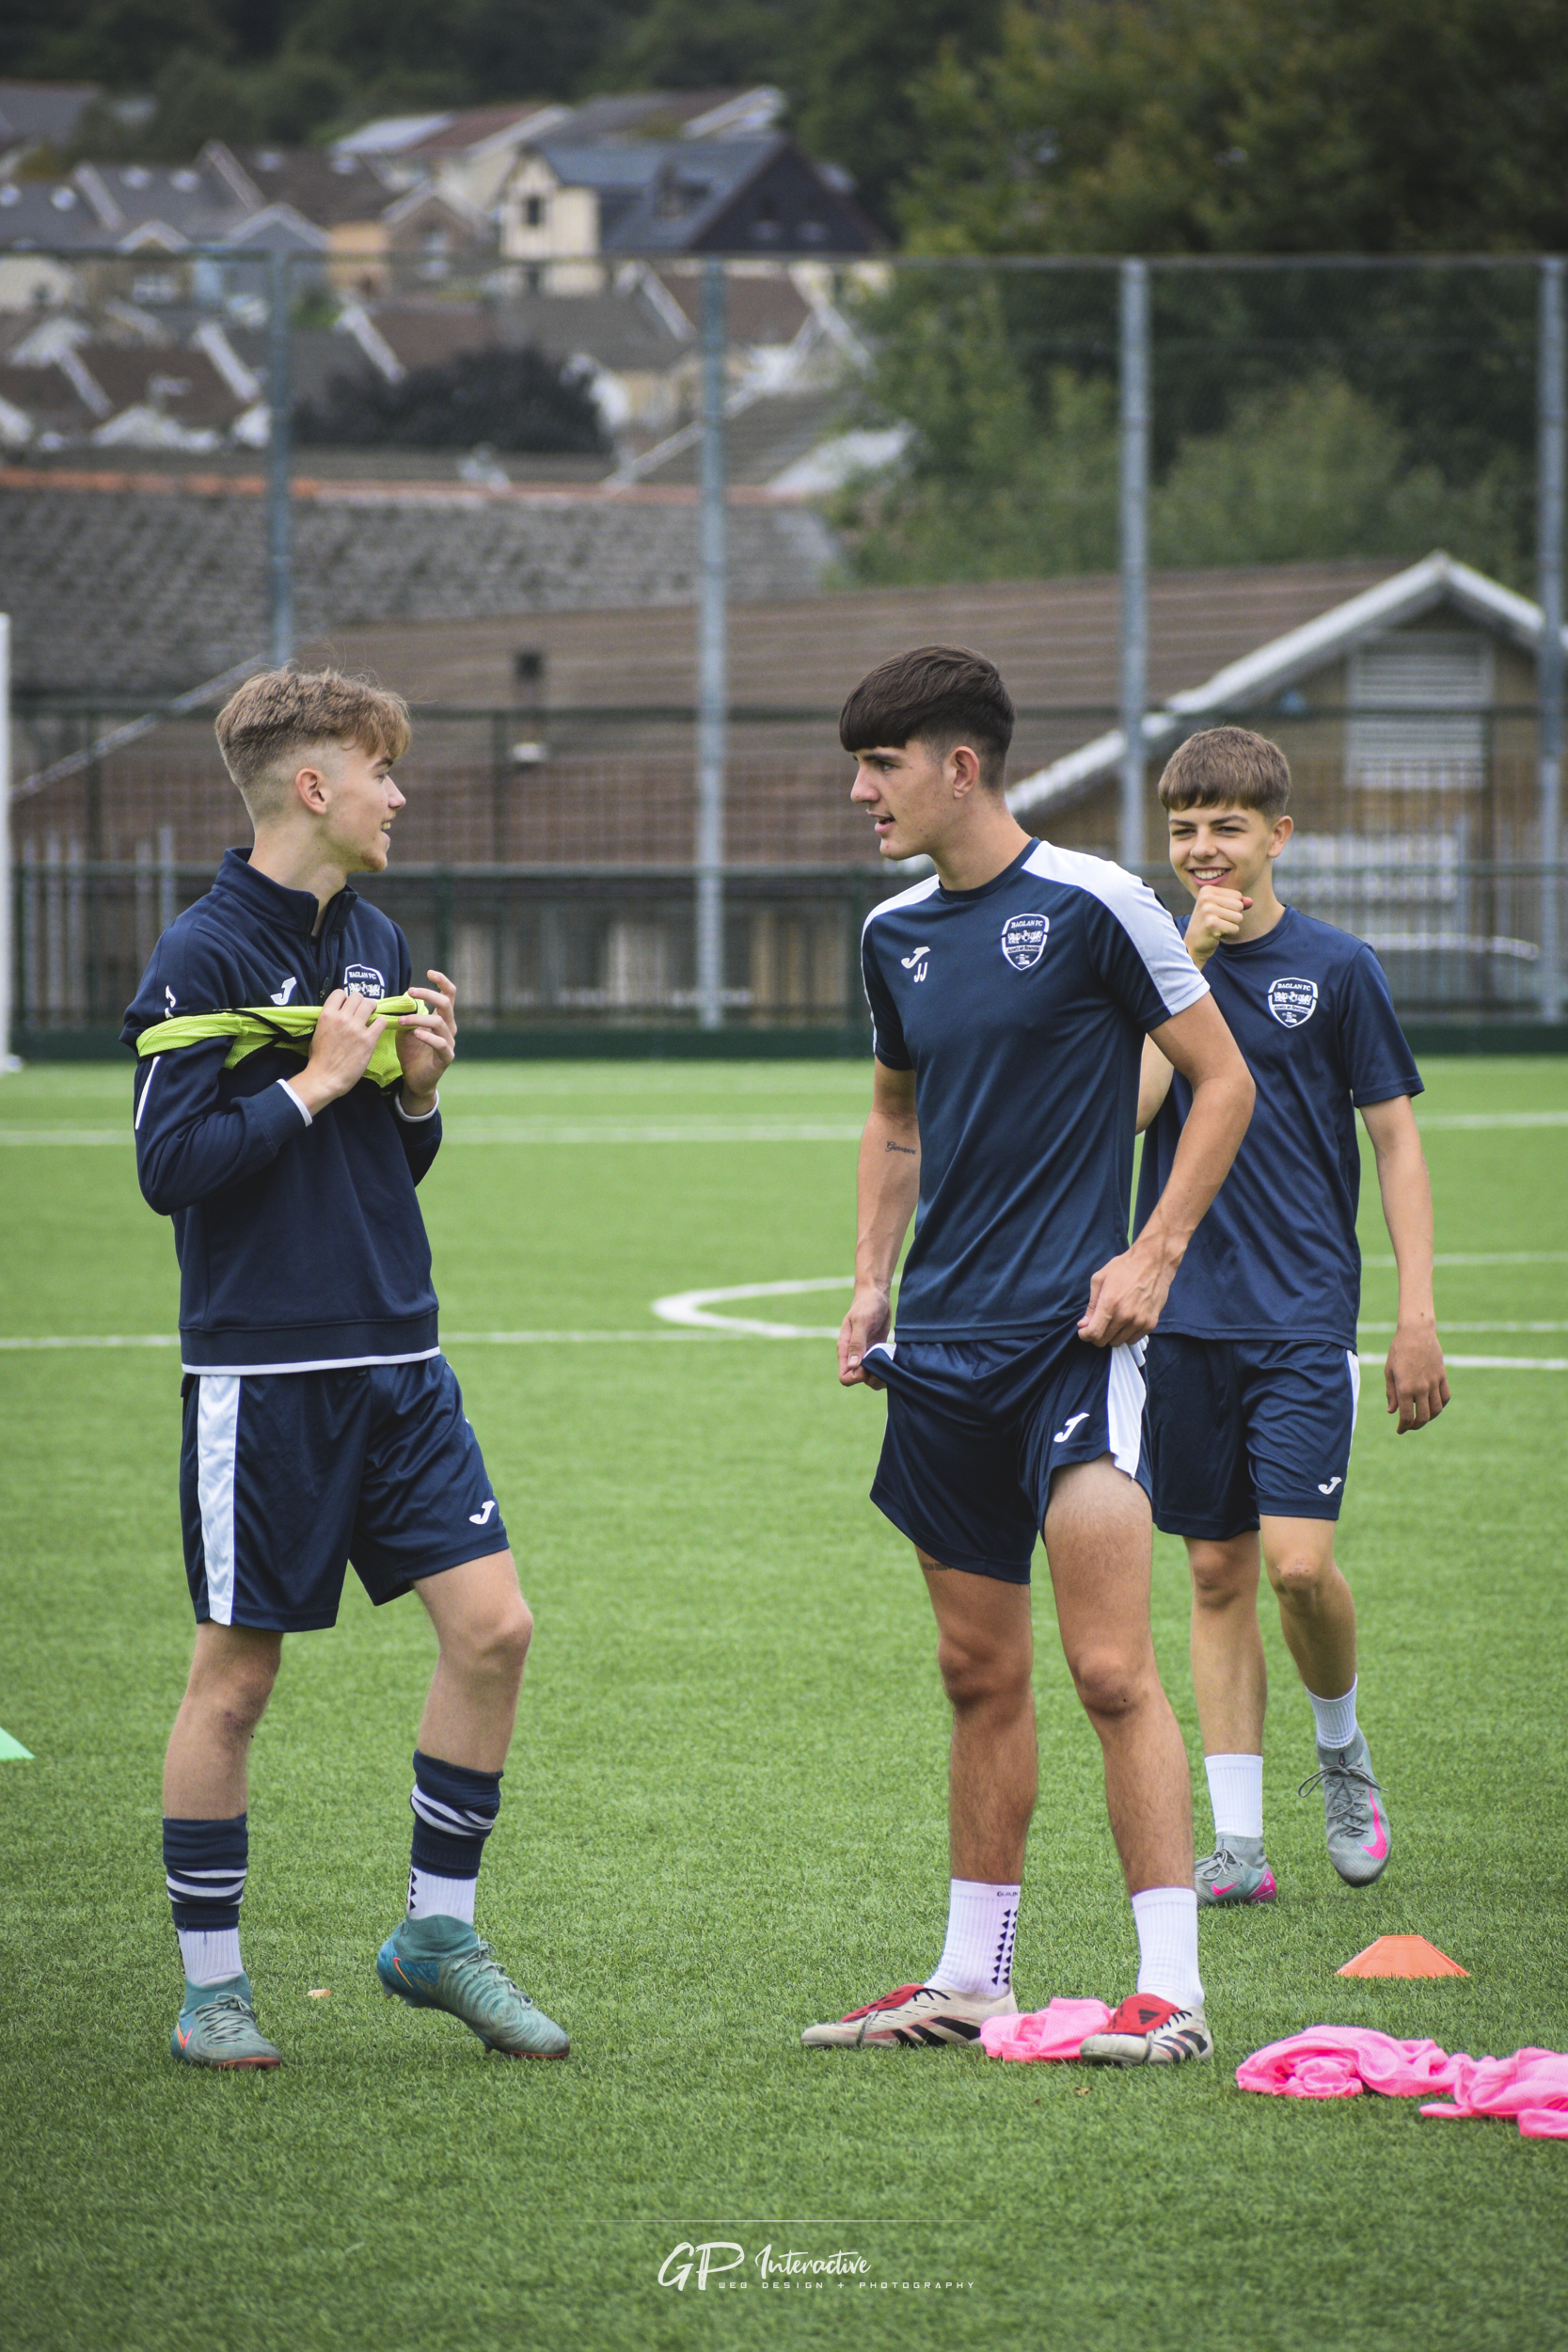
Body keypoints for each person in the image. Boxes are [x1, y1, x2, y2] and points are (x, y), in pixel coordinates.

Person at [802, 646, 1255, 2068]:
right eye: (854, 766)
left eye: (879, 765)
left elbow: (1218, 1078)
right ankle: (968, 1976)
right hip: (936, 1355)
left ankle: (1169, 1991)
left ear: (960, 766)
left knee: (1110, 1668)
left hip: (1073, 1346)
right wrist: (869, 1283)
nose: (859, 792)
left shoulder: (1096, 902)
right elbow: (892, 1121)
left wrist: (1154, 1253)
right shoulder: (889, 935)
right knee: (970, 1671)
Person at [123, 668, 567, 2069]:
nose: (399, 793)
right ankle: (212, 1988)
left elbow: (383, 1162)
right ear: (314, 786)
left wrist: (415, 1091)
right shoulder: (196, 955)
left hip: (402, 1361)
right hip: (264, 1378)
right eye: (382, 770)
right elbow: (168, 1167)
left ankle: (436, 1935)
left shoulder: (372, 936)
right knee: (237, 1678)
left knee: (495, 1631)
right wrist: (315, 1080)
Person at [1133, 725, 1449, 1907]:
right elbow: (1131, 1107)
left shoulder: (1342, 967)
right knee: (1213, 1572)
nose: (1203, 850)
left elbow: (1396, 1141)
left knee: (1296, 1567)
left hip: (1304, 1313)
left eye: (1225, 826)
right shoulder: (1157, 963)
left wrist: (1414, 1311)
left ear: (1277, 834)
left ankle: (1341, 1754)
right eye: (1183, 830)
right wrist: (1185, 966)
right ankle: (1236, 1844)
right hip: (1181, 1318)